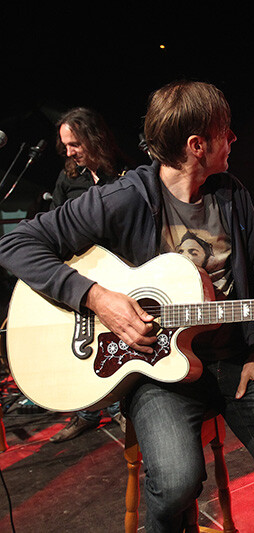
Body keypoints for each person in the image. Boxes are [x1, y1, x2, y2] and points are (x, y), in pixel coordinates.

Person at [0, 80, 254, 532]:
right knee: (175, 483)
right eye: (225, 132)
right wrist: (97, 298)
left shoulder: (232, 194)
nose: (234, 138)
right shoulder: (124, 198)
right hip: (156, 371)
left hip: (235, 360)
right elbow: (17, 244)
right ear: (197, 145)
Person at [47, 107, 129, 442]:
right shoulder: (68, 177)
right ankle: (86, 413)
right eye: (65, 145)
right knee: (82, 343)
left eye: (75, 144)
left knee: (113, 339)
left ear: (93, 139)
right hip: (80, 273)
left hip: (117, 271)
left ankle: (119, 407)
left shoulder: (122, 172)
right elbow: (53, 222)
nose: (69, 152)